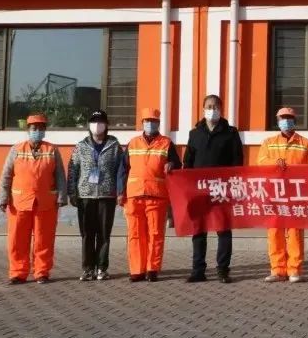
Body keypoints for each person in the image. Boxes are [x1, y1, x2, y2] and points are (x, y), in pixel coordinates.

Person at [0, 114, 67, 284]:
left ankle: (41, 272)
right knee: (17, 239)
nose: (37, 131)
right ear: (28, 130)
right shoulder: (16, 149)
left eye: (41, 128)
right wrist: (3, 198)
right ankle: (18, 273)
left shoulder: (52, 150)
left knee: (44, 239)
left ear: (45, 130)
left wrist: (61, 197)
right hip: (19, 202)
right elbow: (6, 175)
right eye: (34, 128)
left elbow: (60, 175)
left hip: (45, 202)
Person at [184, 94, 244, 283]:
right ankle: (198, 270)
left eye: (215, 106)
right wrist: (186, 185)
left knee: (223, 230)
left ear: (221, 109)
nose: (212, 110)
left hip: (222, 189)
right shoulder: (195, 133)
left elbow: (237, 161)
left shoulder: (231, 133)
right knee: (198, 231)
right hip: (199, 190)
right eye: (209, 106)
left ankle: (223, 269)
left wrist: (233, 185)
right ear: (203, 109)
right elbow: (188, 162)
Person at [117, 108, 181, 282]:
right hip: (134, 195)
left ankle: (152, 269)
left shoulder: (166, 143)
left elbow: (177, 164)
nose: (150, 124)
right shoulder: (132, 144)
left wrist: (171, 164)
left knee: (155, 233)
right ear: (142, 123)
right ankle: (137, 270)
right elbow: (123, 170)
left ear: (158, 123)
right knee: (135, 234)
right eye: (147, 121)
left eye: (153, 121)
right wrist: (120, 192)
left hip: (156, 195)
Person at [257, 107, 308, 283]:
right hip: (274, 194)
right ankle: (277, 270)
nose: (286, 121)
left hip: (296, 195)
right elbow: (261, 162)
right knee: (274, 231)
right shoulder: (268, 143)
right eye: (282, 118)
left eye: (289, 118)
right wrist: (274, 162)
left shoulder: (306, 144)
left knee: (295, 232)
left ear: (295, 121)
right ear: (277, 121)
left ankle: (294, 270)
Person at [67, 109, 126, 281]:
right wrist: (72, 192)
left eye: (101, 122)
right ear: (89, 125)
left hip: (107, 196)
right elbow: (73, 169)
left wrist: (120, 191)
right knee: (87, 234)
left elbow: (121, 171)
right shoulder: (81, 146)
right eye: (94, 121)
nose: (97, 125)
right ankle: (87, 269)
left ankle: (101, 268)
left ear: (106, 125)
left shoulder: (114, 146)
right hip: (85, 196)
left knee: (103, 234)